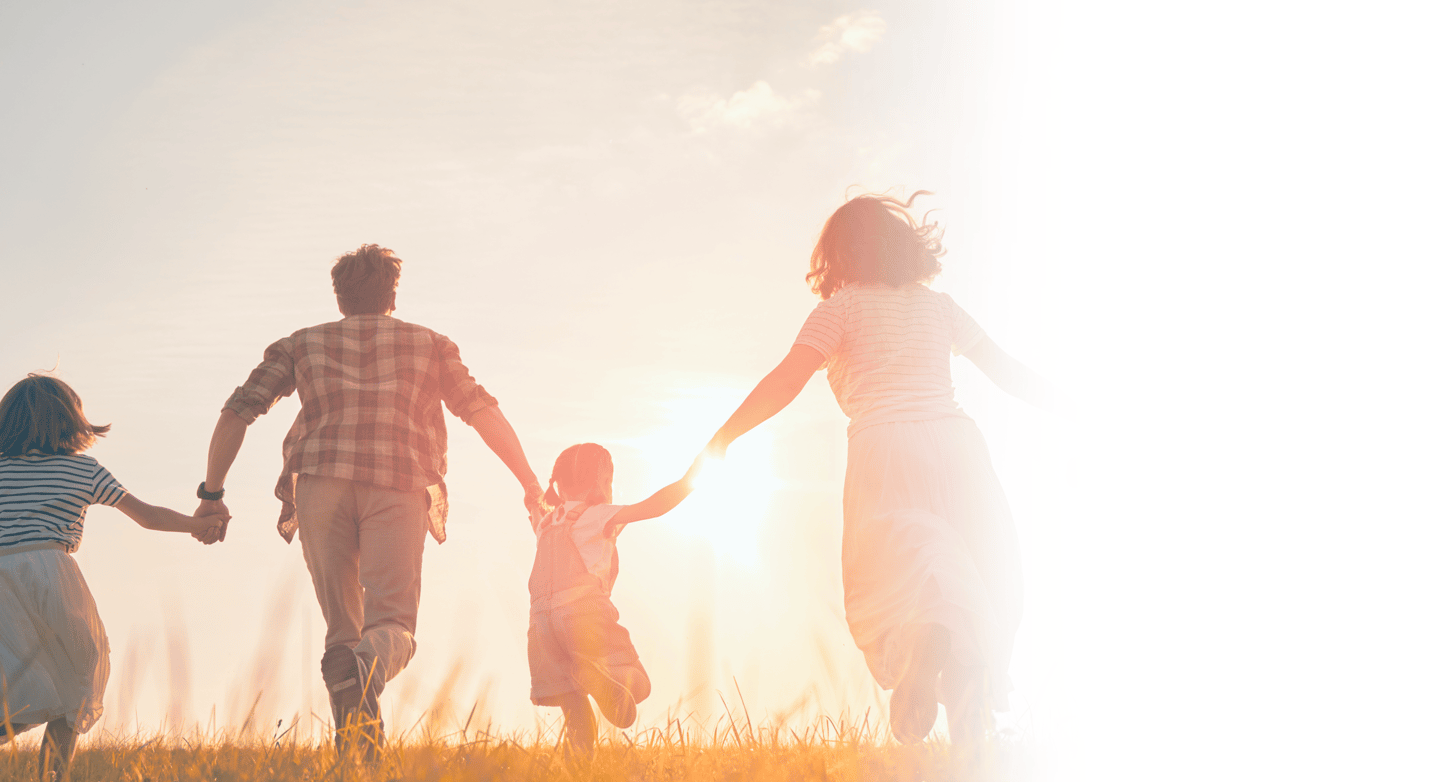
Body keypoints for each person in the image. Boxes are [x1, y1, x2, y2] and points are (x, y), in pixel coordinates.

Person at [703, 192, 1047, 745]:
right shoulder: (939, 307)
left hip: (885, 448)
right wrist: (1079, 408)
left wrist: (722, 438)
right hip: (959, 446)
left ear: (837, 255)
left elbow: (786, 380)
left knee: (899, 572)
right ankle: (968, 726)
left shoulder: (839, 310)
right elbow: (1006, 372)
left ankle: (922, 643)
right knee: (976, 573)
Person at [197, 243, 546, 753]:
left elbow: (237, 412)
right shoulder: (431, 344)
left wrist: (212, 494)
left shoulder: (300, 344)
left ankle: (359, 752)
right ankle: (362, 683)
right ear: (393, 295)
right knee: (393, 624)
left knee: (344, 625)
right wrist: (529, 481)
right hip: (397, 480)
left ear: (339, 297)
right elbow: (480, 410)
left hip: (320, 483)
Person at [0, 375, 227, 780]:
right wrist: (198, 526)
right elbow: (147, 516)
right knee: (79, 673)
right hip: (49, 569)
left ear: (5, 423)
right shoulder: (84, 470)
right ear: (72, 422)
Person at [528, 442, 694, 752]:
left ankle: (577, 775)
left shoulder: (547, 523)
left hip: (541, 627)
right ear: (603, 483)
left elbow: (533, 507)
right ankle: (599, 676)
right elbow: (656, 506)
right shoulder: (598, 515)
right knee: (639, 684)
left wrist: (531, 491)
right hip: (582, 612)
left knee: (573, 709)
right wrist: (692, 478)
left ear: (560, 486)